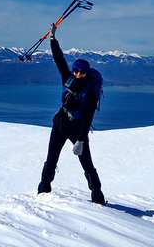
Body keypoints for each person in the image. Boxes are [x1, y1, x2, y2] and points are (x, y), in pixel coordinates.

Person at [37, 24, 105, 205]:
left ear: (87, 72)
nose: (78, 74)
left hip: (77, 130)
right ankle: (43, 191)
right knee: (51, 159)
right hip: (59, 124)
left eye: (82, 72)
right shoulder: (67, 78)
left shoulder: (90, 91)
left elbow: (88, 116)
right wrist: (52, 39)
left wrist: (81, 139)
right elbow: (59, 59)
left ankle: (98, 197)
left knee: (87, 164)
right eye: (76, 71)